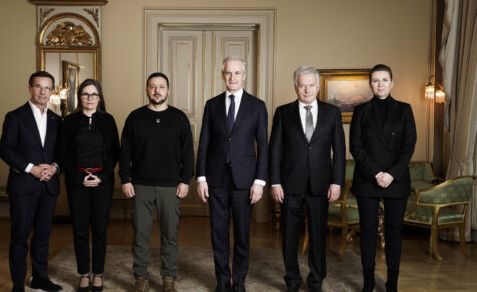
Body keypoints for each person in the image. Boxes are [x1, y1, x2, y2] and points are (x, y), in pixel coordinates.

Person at [269, 66, 345, 292]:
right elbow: (275, 151)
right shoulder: (283, 112)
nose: (307, 89)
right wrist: (275, 182)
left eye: (311, 85)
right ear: (295, 87)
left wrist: (337, 181)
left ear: (318, 87)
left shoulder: (332, 113)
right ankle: (292, 280)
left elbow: (339, 151)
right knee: (289, 236)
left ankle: (315, 281)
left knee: (318, 237)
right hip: (289, 184)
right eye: (302, 85)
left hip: (321, 184)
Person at [196, 55, 268, 292]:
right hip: (216, 178)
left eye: (237, 73)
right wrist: (201, 177)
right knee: (218, 232)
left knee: (242, 233)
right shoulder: (212, 105)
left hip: (245, 181)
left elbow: (263, 147)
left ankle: (239, 280)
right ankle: (222, 279)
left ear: (244, 76)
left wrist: (259, 181)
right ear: (222, 75)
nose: (232, 77)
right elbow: (204, 143)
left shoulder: (257, 106)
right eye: (228, 72)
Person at [119, 72, 194, 292]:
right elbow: (125, 152)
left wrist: (185, 181)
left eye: (161, 86)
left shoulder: (179, 118)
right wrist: (125, 179)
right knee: (140, 233)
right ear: (146, 90)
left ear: (168, 90)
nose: (157, 90)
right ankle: (141, 275)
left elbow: (188, 153)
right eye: (152, 86)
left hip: (171, 185)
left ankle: (168, 276)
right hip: (140, 184)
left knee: (170, 234)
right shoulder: (135, 117)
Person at [350, 64, 416, 292]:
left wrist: (391, 174)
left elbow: (409, 146)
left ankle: (392, 284)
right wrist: (377, 173)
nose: (380, 84)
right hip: (368, 179)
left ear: (392, 82)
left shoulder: (405, 109)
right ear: (370, 84)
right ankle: (368, 283)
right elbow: (355, 146)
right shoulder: (361, 111)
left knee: (394, 232)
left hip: (396, 180)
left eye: (384, 80)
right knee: (367, 231)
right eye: (376, 80)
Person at [0, 71, 62, 292]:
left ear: (52, 91)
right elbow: (4, 149)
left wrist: (54, 167)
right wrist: (30, 168)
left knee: (43, 235)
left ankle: (40, 277)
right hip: (23, 186)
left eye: (47, 88)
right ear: (30, 88)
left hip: (48, 186)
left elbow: (60, 153)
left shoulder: (56, 120)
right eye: (38, 86)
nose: (43, 92)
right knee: (20, 235)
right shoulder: (15, 116)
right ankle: (18, 282)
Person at [58, 79, 119, 292]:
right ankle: (84, 273)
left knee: (100, 229)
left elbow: (114, 153)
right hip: (77, 182)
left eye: (94, 95)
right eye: (85, 94)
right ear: (79, 97)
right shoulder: (69, 121)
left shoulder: (108, 120)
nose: (89, 99)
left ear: (100, 98)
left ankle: (98, 274)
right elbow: (63, 154)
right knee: (80, 229)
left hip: (102, 182)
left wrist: (102, 176)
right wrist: (77, 178)